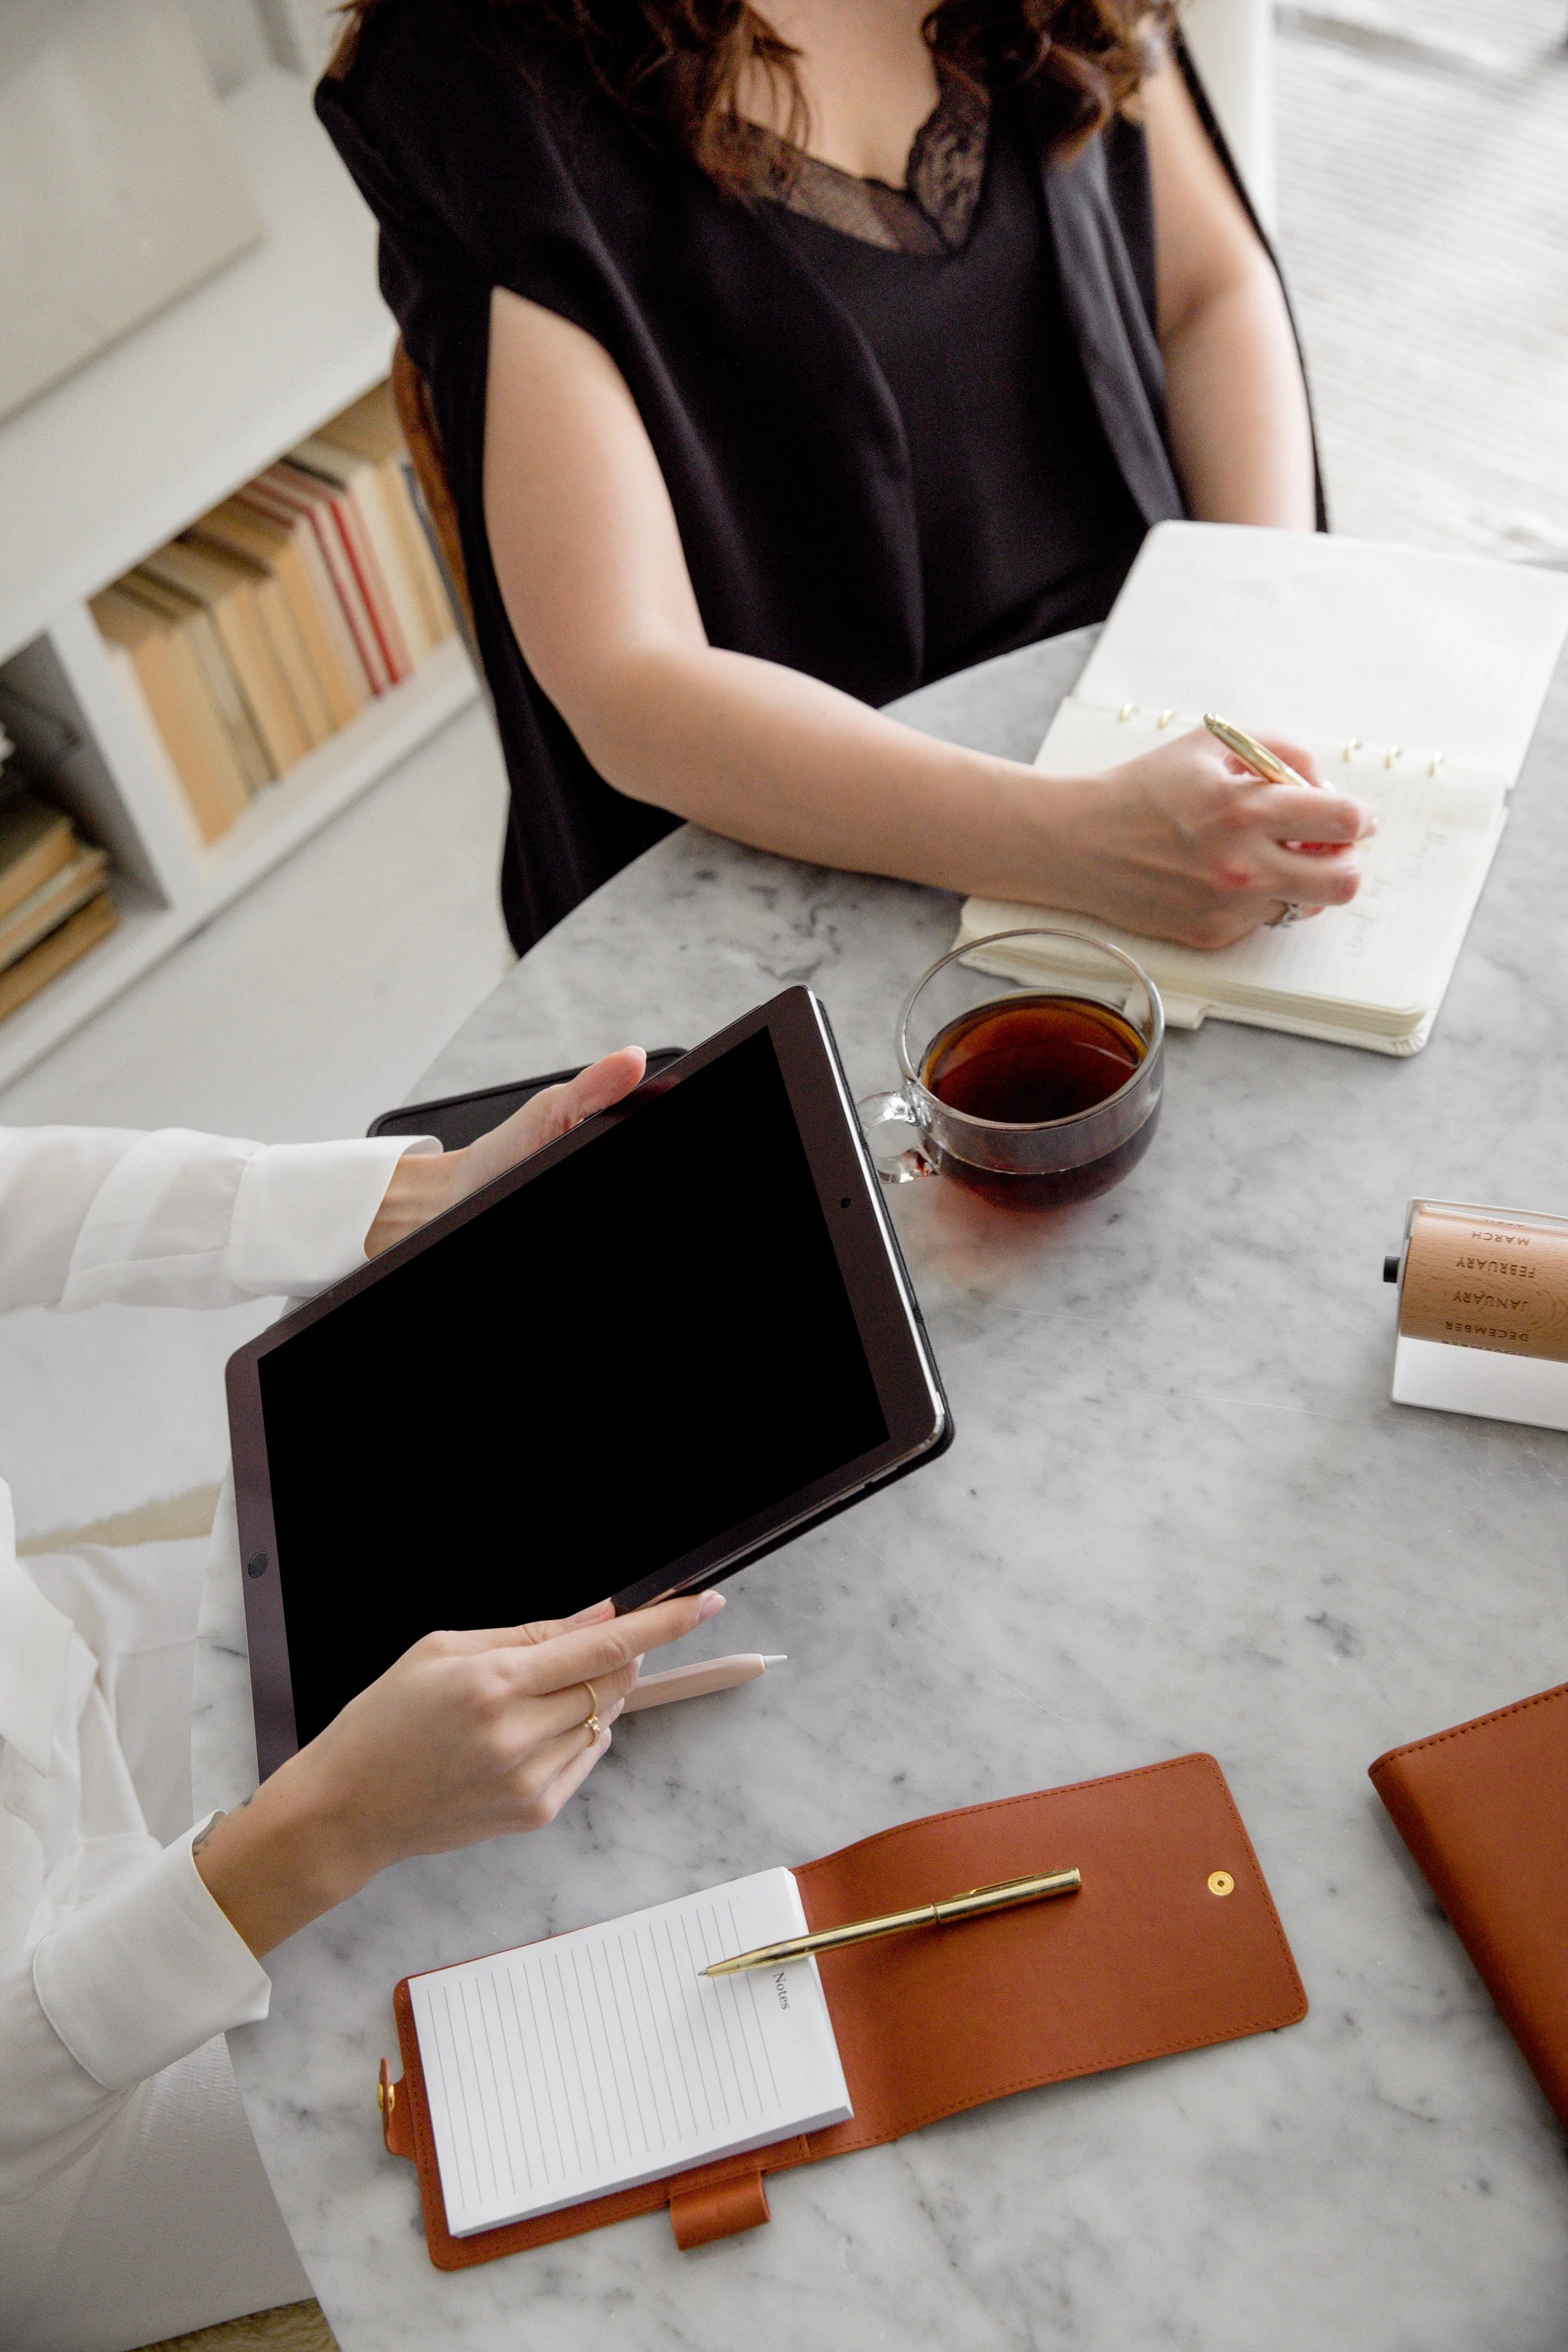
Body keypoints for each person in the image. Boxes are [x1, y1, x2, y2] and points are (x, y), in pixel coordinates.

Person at [318, 0, 1374, 958]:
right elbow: (626, 673)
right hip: (806, 826)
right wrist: (1085, 842)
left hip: (1167, 691)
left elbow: (1207, 290)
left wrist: (1252, 633)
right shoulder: (486, 73)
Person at [0, 1053, 724, 2352]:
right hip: (44, 2136)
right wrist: (325, 1828)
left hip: (54, 1669)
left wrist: (403, 1201)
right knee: (629, 2045)